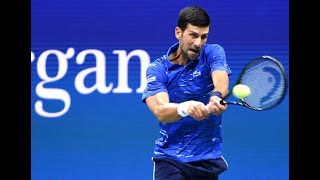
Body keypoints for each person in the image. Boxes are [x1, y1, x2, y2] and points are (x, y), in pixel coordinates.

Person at [141, 6, 232, 180]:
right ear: (178, 32)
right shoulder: (158, 69)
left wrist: (216, 96)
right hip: (170, 160)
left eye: (203, 36)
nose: (198, 43)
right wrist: (186, 107)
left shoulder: (213, 52)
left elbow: (221, 80)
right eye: (193, 35)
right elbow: (160, 111)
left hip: (207, 158)